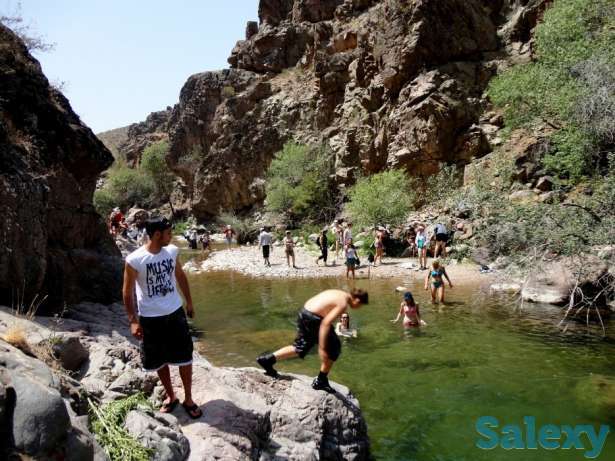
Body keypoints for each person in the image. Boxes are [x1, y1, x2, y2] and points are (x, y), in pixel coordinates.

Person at [122, 217, 202, 419]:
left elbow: (180, 275)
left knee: (185, 356)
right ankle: (171, 395)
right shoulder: (134, 260)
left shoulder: (172, 251)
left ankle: (189, 398)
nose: (171, 236)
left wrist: (189, 302)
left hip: (175, 312)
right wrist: (133, 320)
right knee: (158, 359)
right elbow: (127, 291)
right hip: (150, 318)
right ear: (157, 234)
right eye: (168, 233)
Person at [256, 288, 369, 392]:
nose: (358, 308)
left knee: (301, 346)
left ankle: (267, 360)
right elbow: (325, 323)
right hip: (315, 319)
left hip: (304, 313)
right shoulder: (343, 303)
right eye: (360, 305)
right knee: (334, 348)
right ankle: (321, 381)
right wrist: (322, 347)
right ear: (357, 300)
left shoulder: (339, 292)